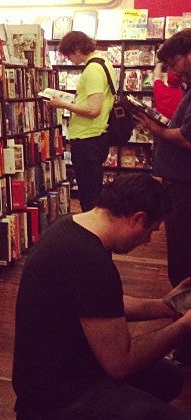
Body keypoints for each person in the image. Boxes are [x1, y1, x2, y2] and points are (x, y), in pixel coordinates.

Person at [12, 173, 191, 419]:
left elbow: (100, 304)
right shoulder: (90, 260)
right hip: (59, 396)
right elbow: (120, 363)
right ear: (137, 219)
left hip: (49, 374)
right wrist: (184, 325)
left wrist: (162, 307)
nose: (148, 240)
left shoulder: (72, 227)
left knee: (168, 377)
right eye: (151, 230)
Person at [136, 29, 191, 368]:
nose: (177, 72)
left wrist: (155, 130)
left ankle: (186, 349)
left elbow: (188, 138)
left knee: (183, 262)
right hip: (181, 184)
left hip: (186, 187)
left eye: (178, 63)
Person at [49, 31, 114, 211]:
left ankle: (92, 234)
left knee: (89, 194)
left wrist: (62, 104)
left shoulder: (92, 70)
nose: (69, 60)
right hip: (96, 135)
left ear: (77, 49)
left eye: (69, 54)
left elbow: (93, 109)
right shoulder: (104, 63)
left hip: (87, 138)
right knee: (93, 189)